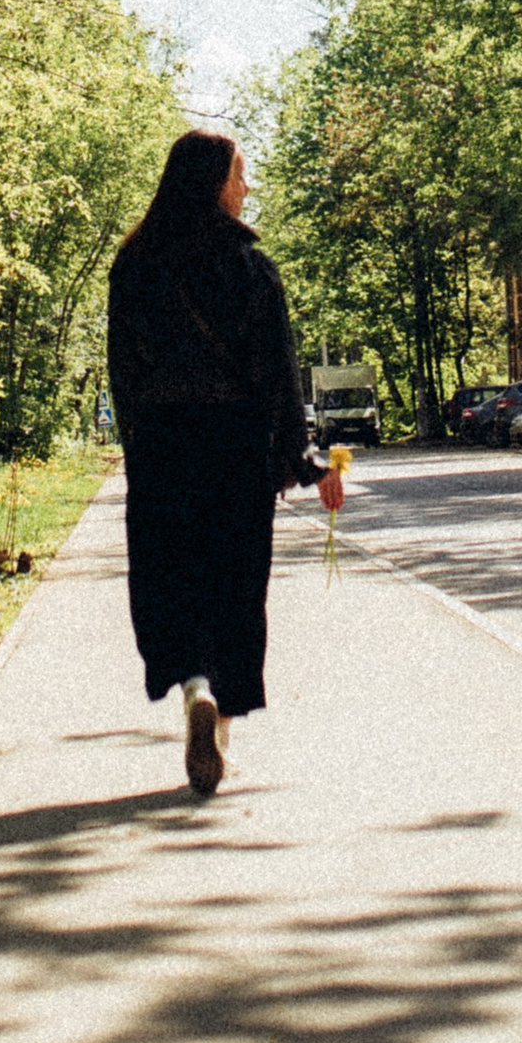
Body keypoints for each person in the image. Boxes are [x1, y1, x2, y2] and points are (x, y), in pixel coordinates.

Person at [107, 127, 319, 796]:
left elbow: (122, 368)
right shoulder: (250, 265)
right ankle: (218, 730)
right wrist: (296, 454)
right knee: (232, 587)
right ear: (213, 181)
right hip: (235, 448)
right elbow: (277, 371)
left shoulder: (136, 261)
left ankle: (194, 686)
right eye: (240, 173)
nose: (247, 186)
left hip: (166, 444)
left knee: (174, 581)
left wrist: (137, 442)